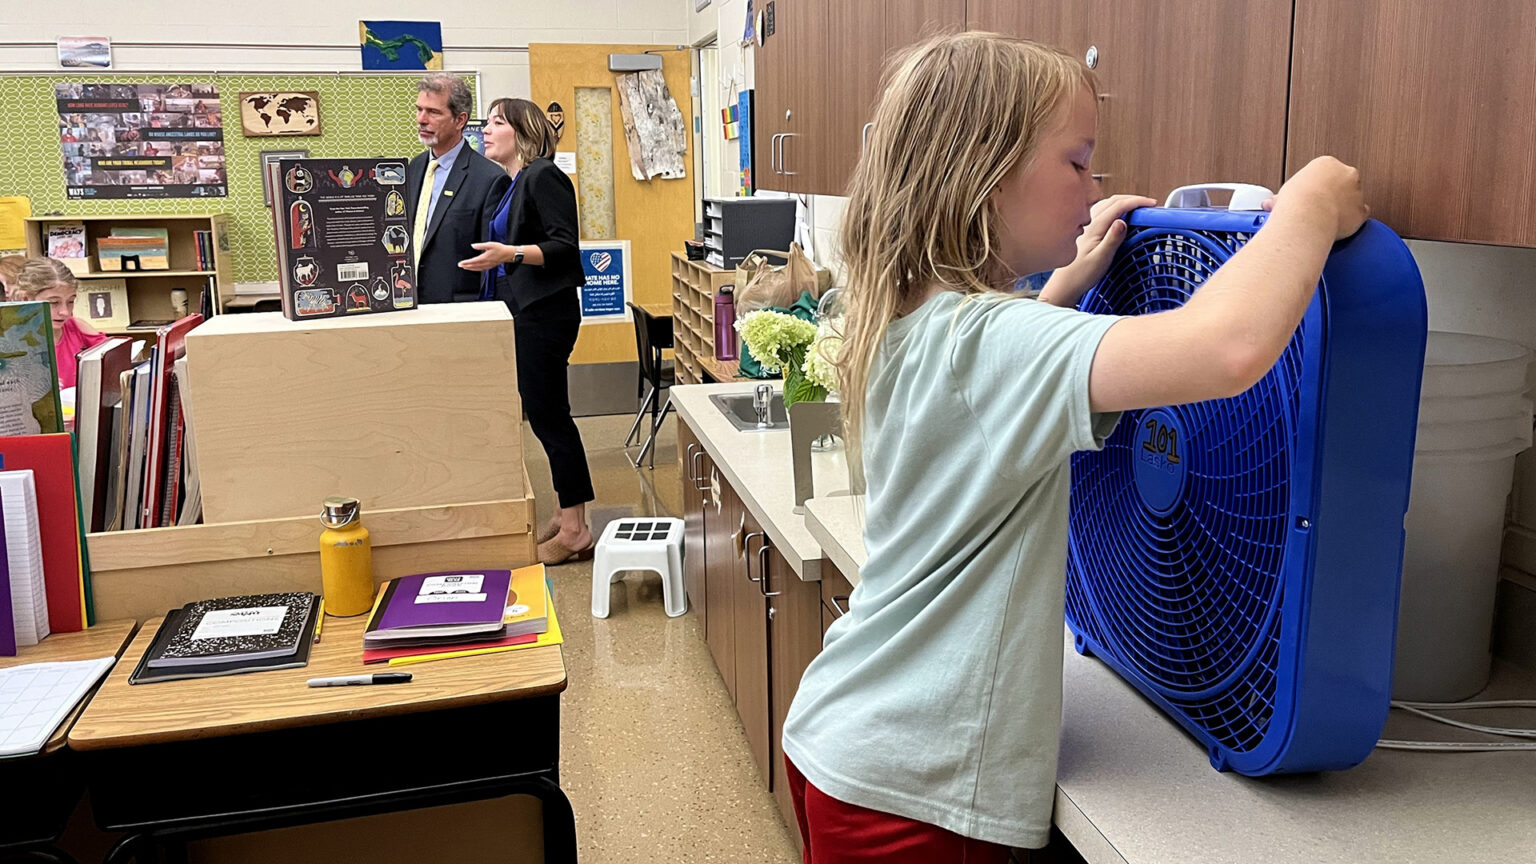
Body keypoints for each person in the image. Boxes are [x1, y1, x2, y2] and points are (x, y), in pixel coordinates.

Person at [779, 32, 1368, 863]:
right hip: (918, 797)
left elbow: (990, 378)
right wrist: (1311, 200)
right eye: (1078, 162)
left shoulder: (904, 317)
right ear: (982, 175)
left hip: (849, 738)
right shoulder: (993, 341)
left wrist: (1067, 284)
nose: (1095, 186)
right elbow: (1229, 346)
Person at [458, 98, 594, 565]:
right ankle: (566, 509)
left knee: (550, 417)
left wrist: (509, 253)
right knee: (545, 415)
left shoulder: (543, 175)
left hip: (546, 314)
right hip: (524, 312)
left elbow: (563, 247)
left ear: (524, 130)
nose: (486, 130)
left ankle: (575, 530)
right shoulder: (512, 184)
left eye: (496, 122)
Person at [405, 73, 511, 304]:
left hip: (458, 308)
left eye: (433, 112)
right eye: (419, 109)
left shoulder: (489, 179)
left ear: (460, 120)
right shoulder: (413, 168)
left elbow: (491, 264)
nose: (421, 119)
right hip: (408, 301)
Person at [12, 258, 107, 390]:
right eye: (54, 303)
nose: (64, 312)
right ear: (26, 299)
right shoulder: (11, 339)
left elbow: (116, 357)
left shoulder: (77, 327)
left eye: (71, 301)